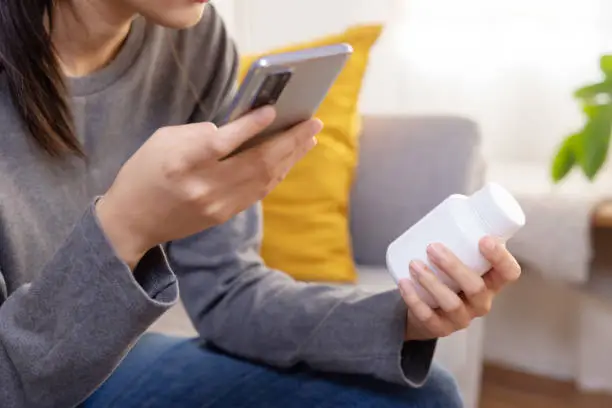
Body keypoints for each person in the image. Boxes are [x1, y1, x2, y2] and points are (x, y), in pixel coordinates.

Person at [0, 1, 521, 407]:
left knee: (424, 397)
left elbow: (229, 292)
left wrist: (401, 321)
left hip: (106, 370)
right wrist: (125, 227)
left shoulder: (198, 45)